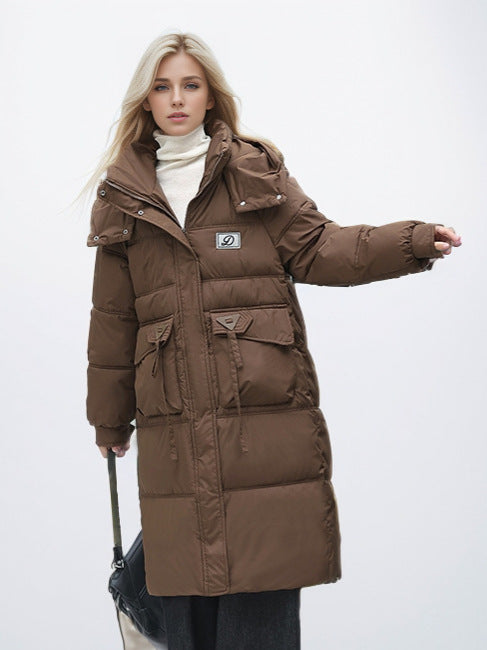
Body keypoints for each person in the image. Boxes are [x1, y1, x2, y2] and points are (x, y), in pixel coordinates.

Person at [81, 31, 461, 650]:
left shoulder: (252, 174)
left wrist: (411, 241)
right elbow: (113, 320)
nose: (176, 98)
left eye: (190, 84)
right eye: (162, 86)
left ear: (210, 95)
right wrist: (108, 418)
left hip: (262, 440)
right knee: (185, 623)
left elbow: (321, 246)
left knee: (258, 619)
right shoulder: (122, 197)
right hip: (176, 446)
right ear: (145, 99)